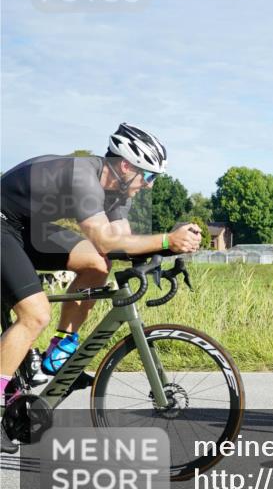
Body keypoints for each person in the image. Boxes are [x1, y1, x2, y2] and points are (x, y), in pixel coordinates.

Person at [1, 123, 202, 452]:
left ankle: (59, 353)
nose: (148, 186)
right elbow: (106, 238)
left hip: (27, 227)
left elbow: (119, 245)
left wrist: (167, 250)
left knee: (97, 264)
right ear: (126, 166)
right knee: (35, 313)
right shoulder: (83, 176)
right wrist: (167, 238)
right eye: (147, 176)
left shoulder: (119, 193)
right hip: (1, 222)